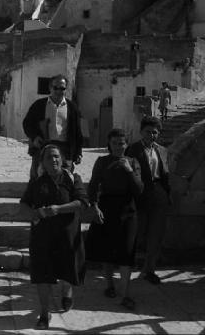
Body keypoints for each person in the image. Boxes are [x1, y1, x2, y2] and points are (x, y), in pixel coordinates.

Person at [20, 144, 88, 329]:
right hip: (43, 237)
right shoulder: (37, 182)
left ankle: (67, 292)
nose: (54, 160)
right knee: (43, 275)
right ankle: (44, 313)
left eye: (56, 156)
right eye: (49, 157)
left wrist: (58, 209)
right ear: (42, 162)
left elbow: (81, 202)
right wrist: (35, 213)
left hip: (67, 235)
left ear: (62, 159)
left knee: (67, 270)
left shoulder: (73, 179)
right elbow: (24, 204)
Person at [86, 128, 144, 311]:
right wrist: (94, 206)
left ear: (126, 145)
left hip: (128, 209)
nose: (119, 147)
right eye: (115, 143)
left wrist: (128, 171)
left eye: (122, 143)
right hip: (107, 208)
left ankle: (126, 293)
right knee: (108, 250)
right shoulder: (102, 162)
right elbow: (94, 185)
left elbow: (139, 189)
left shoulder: (133, 162)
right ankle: (110, 284)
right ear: (109, 145)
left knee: (127, 252)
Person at [125, 116, 170, 285]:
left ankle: (150, 269)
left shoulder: (162, 151)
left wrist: (167, 194)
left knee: (156, 233)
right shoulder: (132, 150)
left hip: (159, 192)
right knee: (138, 232)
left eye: (155, 132)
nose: (151, 135)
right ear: (141, 132)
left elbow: (165, 173)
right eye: (148, 132)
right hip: (140, 194)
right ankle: (129, 267)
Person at [22, 74, 83, 179]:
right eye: (56, 88)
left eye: (62, 88)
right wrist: (34, 137)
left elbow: (77, 131)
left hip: (65, 149)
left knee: (65, 180)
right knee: (38, 178)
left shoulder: (72, 108)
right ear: (50, 88)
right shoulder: (39, 105)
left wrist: (78, 152)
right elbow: (27, 123)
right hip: (43, 147)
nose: (59, 91)